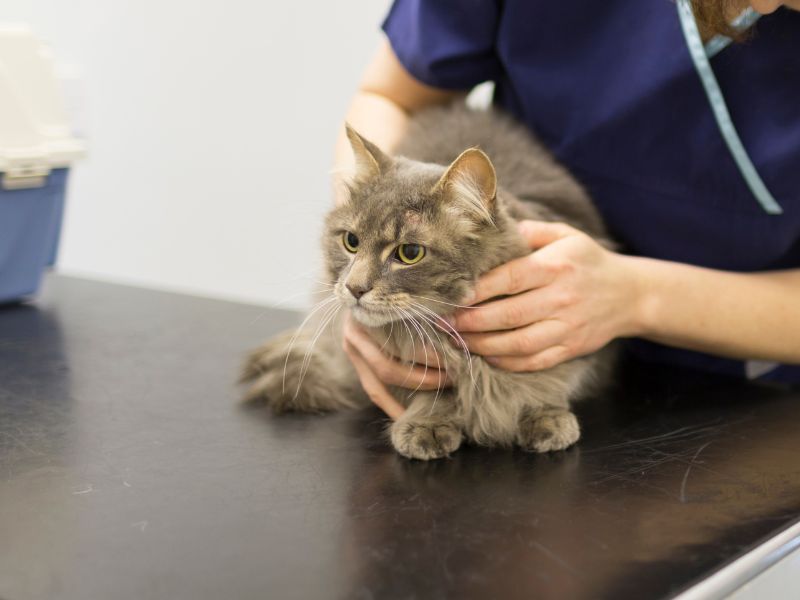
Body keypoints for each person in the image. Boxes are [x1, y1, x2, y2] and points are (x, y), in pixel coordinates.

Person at [335, 0, 800, 417]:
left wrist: (637, 296)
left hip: (745, 394)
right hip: (480, 340)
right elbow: (391, 97)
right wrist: (356, 281)